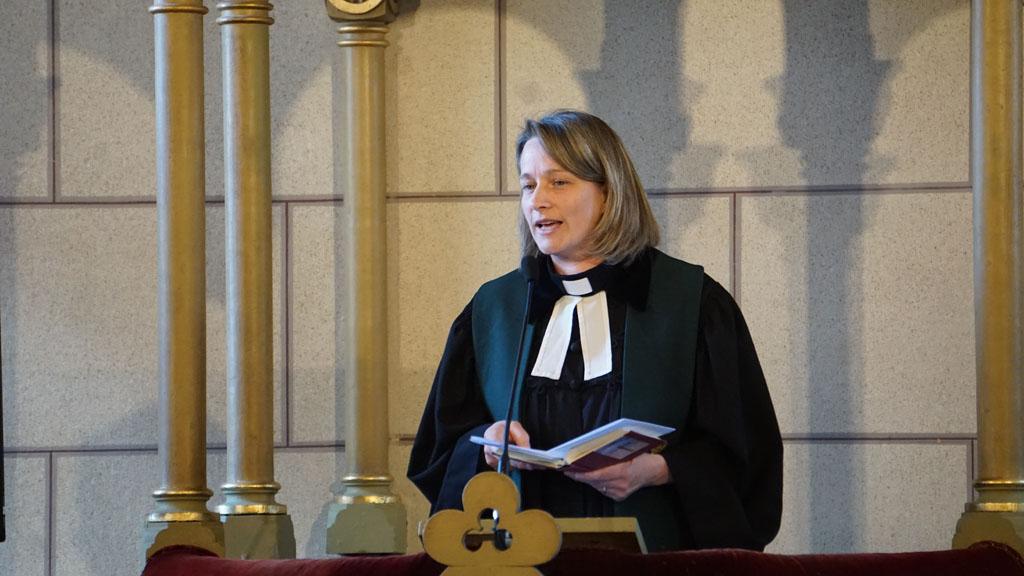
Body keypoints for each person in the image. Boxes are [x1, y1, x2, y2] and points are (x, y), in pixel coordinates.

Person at [407, 110, 782, 551]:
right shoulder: (495, 309)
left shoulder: (691, 303)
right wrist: (487, 445)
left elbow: (747, 453)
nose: (538, 201)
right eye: (528, 185)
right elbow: (440, 452)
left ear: (609, 192)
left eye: (558, 182)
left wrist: (660, 470)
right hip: (521, 561)